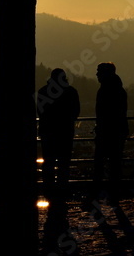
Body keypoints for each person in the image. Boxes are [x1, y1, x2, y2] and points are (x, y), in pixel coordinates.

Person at [36, 68, 80, 198]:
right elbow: (76, 112)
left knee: (48, 162)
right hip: (65, 133)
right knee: (64, 163)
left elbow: (40, 111)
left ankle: (48, 189)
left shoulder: (43, 91)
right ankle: (62, 189)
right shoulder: (71, 92)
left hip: (48, 133)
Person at [93, 62, 128, 204]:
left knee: (99, 164)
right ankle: (113, 195)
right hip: (118, 131)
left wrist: (101, 127)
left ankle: (96, 194)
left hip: (106, 131)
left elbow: (102, 113)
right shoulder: (120, 90)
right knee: (115, 164)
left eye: (98, 72)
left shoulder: (103, 91)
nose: (96, 75)